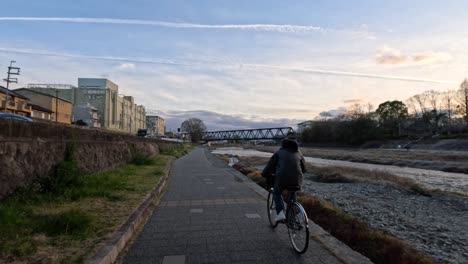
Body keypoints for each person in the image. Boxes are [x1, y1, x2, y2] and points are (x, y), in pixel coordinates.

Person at [262, 138, 306, 222]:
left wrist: (264, 174)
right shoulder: (298, 152)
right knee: (292, 193)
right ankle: (292, 218)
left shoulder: (279, 152)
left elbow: (270, 166)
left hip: (282, 179)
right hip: (297, 179)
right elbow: (304, 168)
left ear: (283, 145)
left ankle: (280, 213)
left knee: (277, 193)